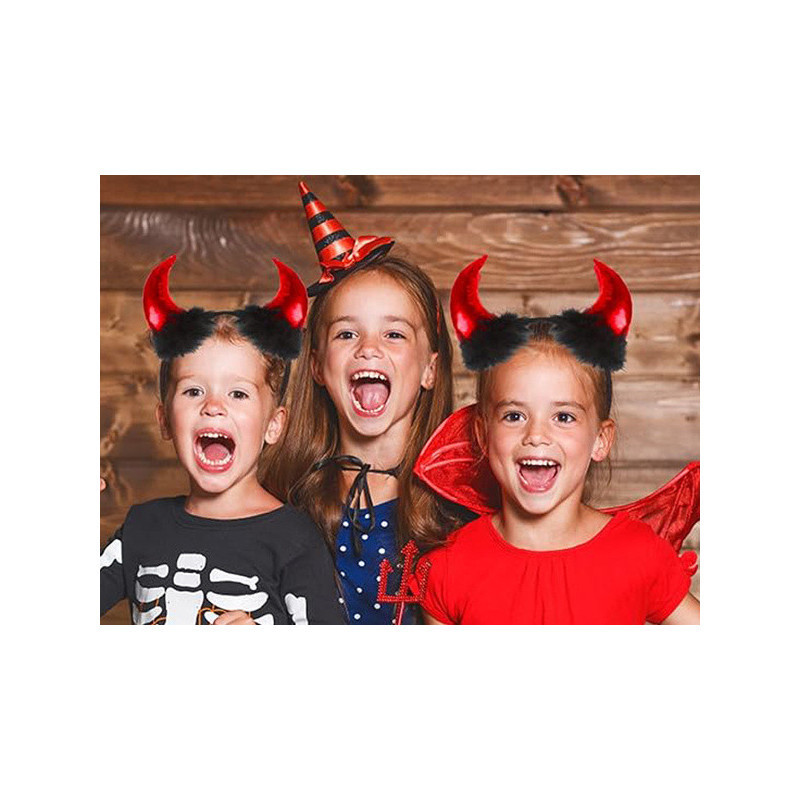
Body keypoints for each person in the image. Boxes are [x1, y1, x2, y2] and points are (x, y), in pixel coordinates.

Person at [416, 256, 700, 625]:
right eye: (514, 416)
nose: (536, 436)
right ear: (483, 436)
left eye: (563, 417)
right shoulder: (447, 568)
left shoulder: (640, 555)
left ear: (600, 440)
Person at [100, 255, 346, 625]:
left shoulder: (296, 540)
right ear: (165, 420)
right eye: (193, 391)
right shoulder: (141, 527)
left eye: (238, 393)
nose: (214, 406)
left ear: (274, 425)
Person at [261, 182, 463, 624]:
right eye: (347, 333)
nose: (369, 348)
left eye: (394, 334)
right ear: (318, 366)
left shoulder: (464, 510)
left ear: (430, 368)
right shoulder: (277, 503)